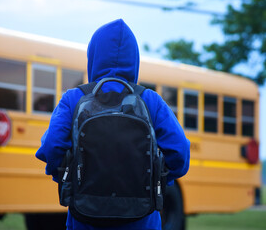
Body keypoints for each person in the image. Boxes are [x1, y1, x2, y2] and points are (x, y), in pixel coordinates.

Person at [36, 19, 190, 230]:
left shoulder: (73, 99)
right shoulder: (150, 101)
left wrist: (68, 180)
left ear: (93, 55)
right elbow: (180, 153)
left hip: (84, 217)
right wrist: (156, 182)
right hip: (142, 219)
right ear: (134, 59)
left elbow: (51, 148)